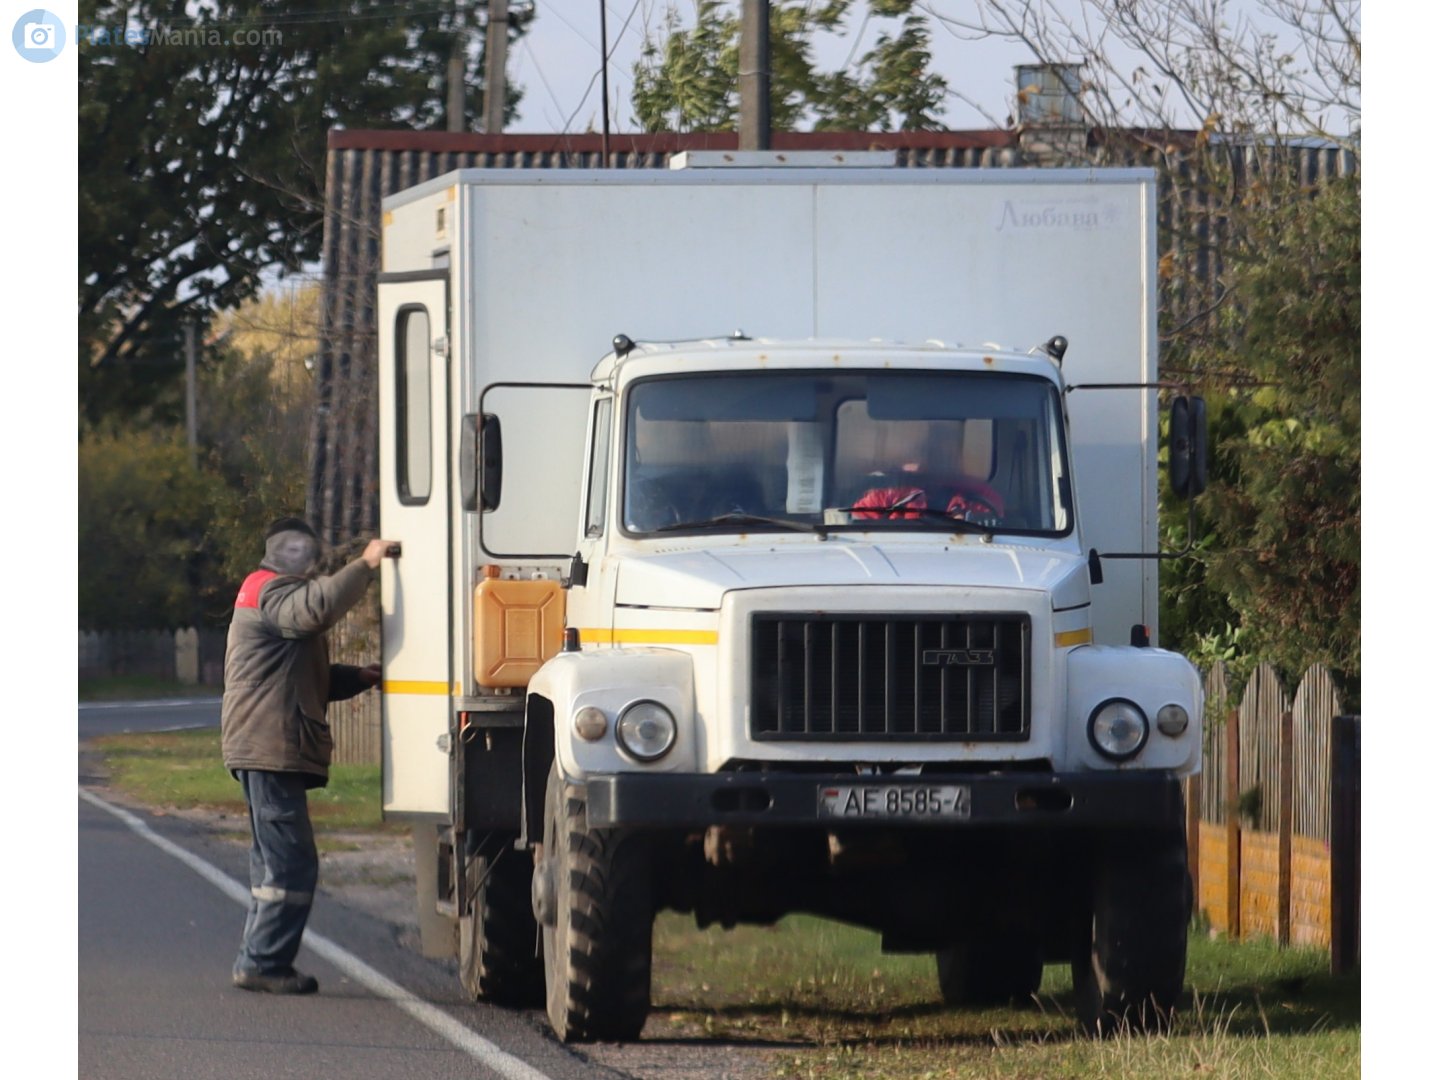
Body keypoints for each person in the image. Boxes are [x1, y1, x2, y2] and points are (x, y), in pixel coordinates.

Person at [220, 517, 394, 995]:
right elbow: (315, 610)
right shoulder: (272, 592)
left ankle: (258, 957)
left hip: (265, 745)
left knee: (274, 863)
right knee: (290, 863)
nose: (311, 560)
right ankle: (263, 962)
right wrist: (365, 565)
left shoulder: (266, 594)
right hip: (269, 746)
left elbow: (297, 675)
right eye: (305, 551)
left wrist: (356, 677)